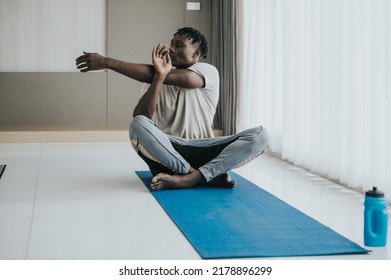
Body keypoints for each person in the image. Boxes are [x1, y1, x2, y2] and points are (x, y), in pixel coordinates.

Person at [76, 27, 269, 191]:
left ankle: (191, 177)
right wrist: (158, 76)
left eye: (179, 45)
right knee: (137, 124)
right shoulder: (156, 77)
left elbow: (185, 79)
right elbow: (142, 117)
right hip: (168, 155)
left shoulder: (207, 70)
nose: (171, 48)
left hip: (203, 148)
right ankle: (197, 174)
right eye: (171, 43)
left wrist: (107, 62)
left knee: (261, 135)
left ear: (196, 52)